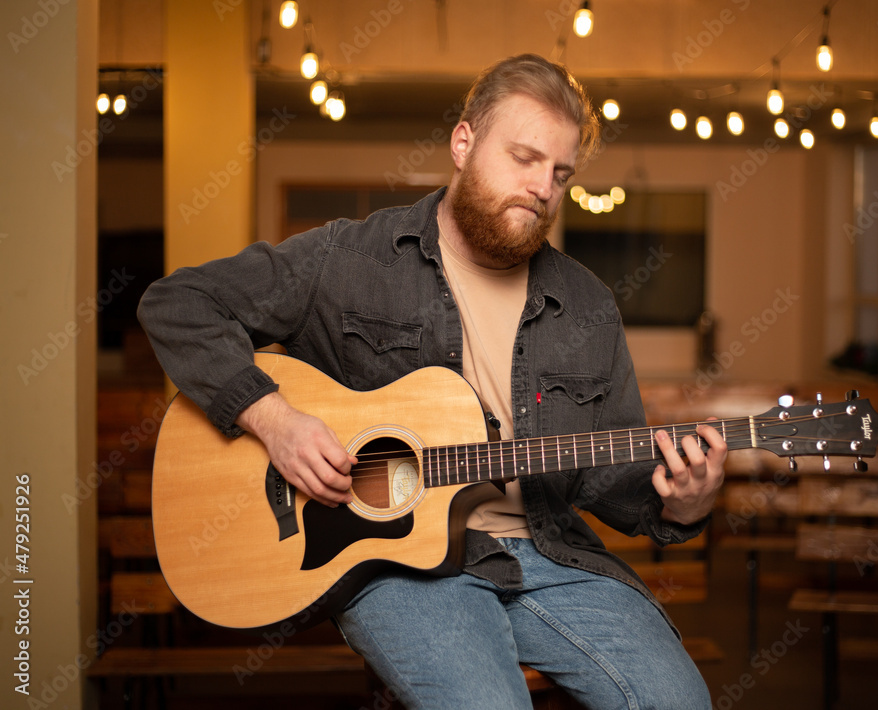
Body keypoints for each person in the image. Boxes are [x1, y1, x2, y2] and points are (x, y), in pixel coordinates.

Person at [139, 53, 726, 709]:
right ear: (463, 143)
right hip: (400, 565)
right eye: (524, 158)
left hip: (551, 555)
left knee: (680, 702)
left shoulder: (588, 306)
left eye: (561, 174)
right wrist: (274, 422)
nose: (543, 187)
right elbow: (178, 304)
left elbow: (612, 482)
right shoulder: (348, 258)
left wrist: (686, 504)